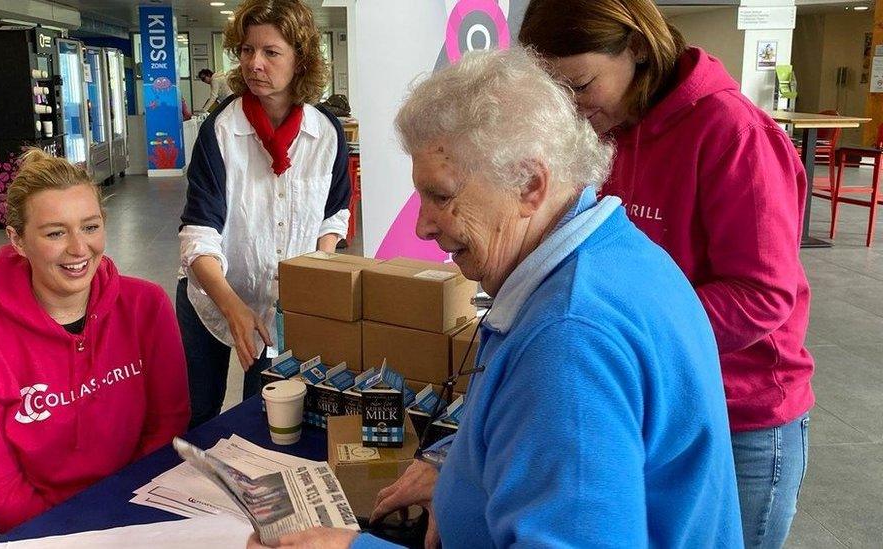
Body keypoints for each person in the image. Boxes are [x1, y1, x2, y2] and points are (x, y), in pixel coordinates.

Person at [248, 47, 741, 548]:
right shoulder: (612, 253)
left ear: (529, 184)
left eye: (441, 195)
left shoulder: (569, 343)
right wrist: (468, 477)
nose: (422, 226)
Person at [518, 1, 814, 547]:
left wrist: (626, 334)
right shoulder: (606, 128)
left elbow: (762, 295)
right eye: (555, 94)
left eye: (581, 85)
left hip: (739, 414)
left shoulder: (732, 133)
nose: (573, 109)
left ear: (634, 46)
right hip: (647, 403)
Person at [0, 149, 190, 549]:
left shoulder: (146, 307)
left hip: (131, 502)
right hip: (22, 525)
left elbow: (167, 423)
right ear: (17, 240)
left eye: (90, 227)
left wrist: (125, 519)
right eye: (55, 233)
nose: (78, 249)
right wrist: (86, 534)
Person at [179, 0, 350, 429]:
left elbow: (335, 212)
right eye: (246, 50)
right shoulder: (220, 130)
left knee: (266, 413)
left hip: (281, 307)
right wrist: (233, 306)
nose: (254, 63)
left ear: (301, 60)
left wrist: (316, 270)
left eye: (270, 52)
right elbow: (199, 231)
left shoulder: (325, 133)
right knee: (198, 413)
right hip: (212, 300)